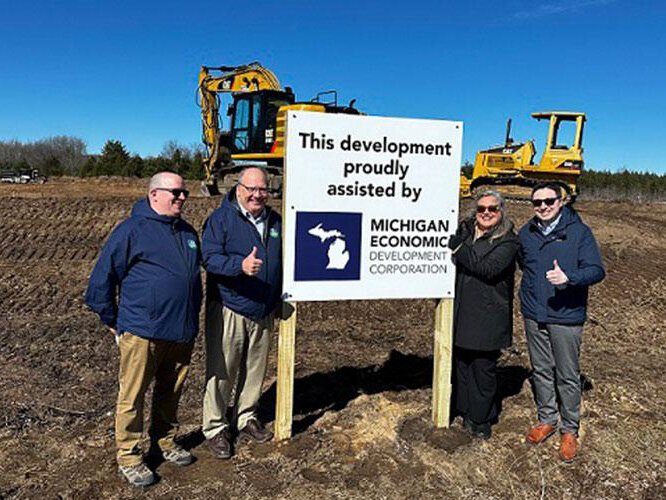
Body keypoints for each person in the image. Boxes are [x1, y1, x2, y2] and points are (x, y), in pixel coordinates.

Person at [85, 172, 202, 487]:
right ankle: (129, 455)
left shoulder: (188, 232)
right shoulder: (131, 231)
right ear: (154, 195)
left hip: (181, 331)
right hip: (143, 332)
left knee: (171, 391)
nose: (181, 198)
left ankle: (164, 441)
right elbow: (100, 281)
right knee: (133, 395)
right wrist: (113, 320)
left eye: (184, 193)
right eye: (175, 192)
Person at [519, 183, 605, 463]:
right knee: (541, 369)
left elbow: (596, 270)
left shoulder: (579, 232)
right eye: (537, 202)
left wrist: (569, 278)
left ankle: (569, 429)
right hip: (535, 313)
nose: (542, 206)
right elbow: (524, 265)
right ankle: (547, 418)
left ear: (561, 201)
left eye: (548, 201)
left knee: (567, 374)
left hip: (566, 314)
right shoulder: (526, 233)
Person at [202, 166, 282, 459]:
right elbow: (209, 259)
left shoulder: (275, 221)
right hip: (230, 307)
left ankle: (246, 416)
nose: (258, 195)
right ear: (238, 189)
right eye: (251, 189)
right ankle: (215, 427)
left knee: (255, 369)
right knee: (223, 369)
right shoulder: (220, 220)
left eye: (263, 189)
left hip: (263, 308)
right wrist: (240, 266)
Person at [448, 190, 520, 439]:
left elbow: (488, 269)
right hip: (461, 312)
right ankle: (465, 411)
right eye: (481, 209)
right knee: (462, 365)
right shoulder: (467, 232)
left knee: (483, 369)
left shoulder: (508, 241)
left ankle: (482, 420)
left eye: (492, 208)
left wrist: (458, 249)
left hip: (488, 316)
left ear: (501, 212)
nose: (486, 213)